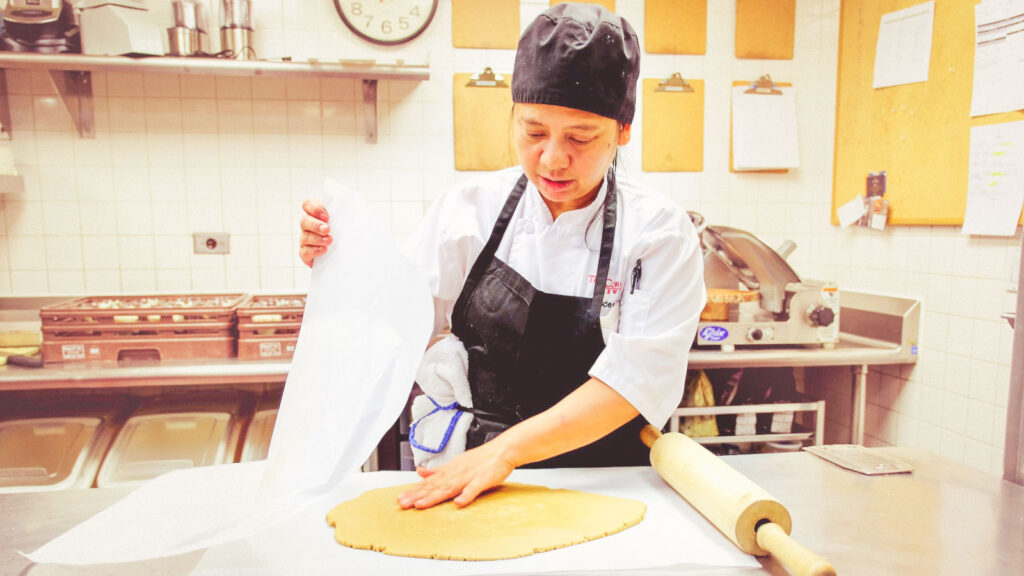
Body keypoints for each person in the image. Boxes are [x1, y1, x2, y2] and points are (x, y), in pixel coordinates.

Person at [299, 3, 705, 510]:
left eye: (580, 138)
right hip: (477, 481)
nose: (553, 159)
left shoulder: (659, 232)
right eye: (534, 132)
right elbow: (395, 323)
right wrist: (341, 265)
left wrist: (507, 452)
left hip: (609, 484)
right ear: (512, 116)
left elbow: (635, 382)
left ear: (623, 130)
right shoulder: (466, 211)